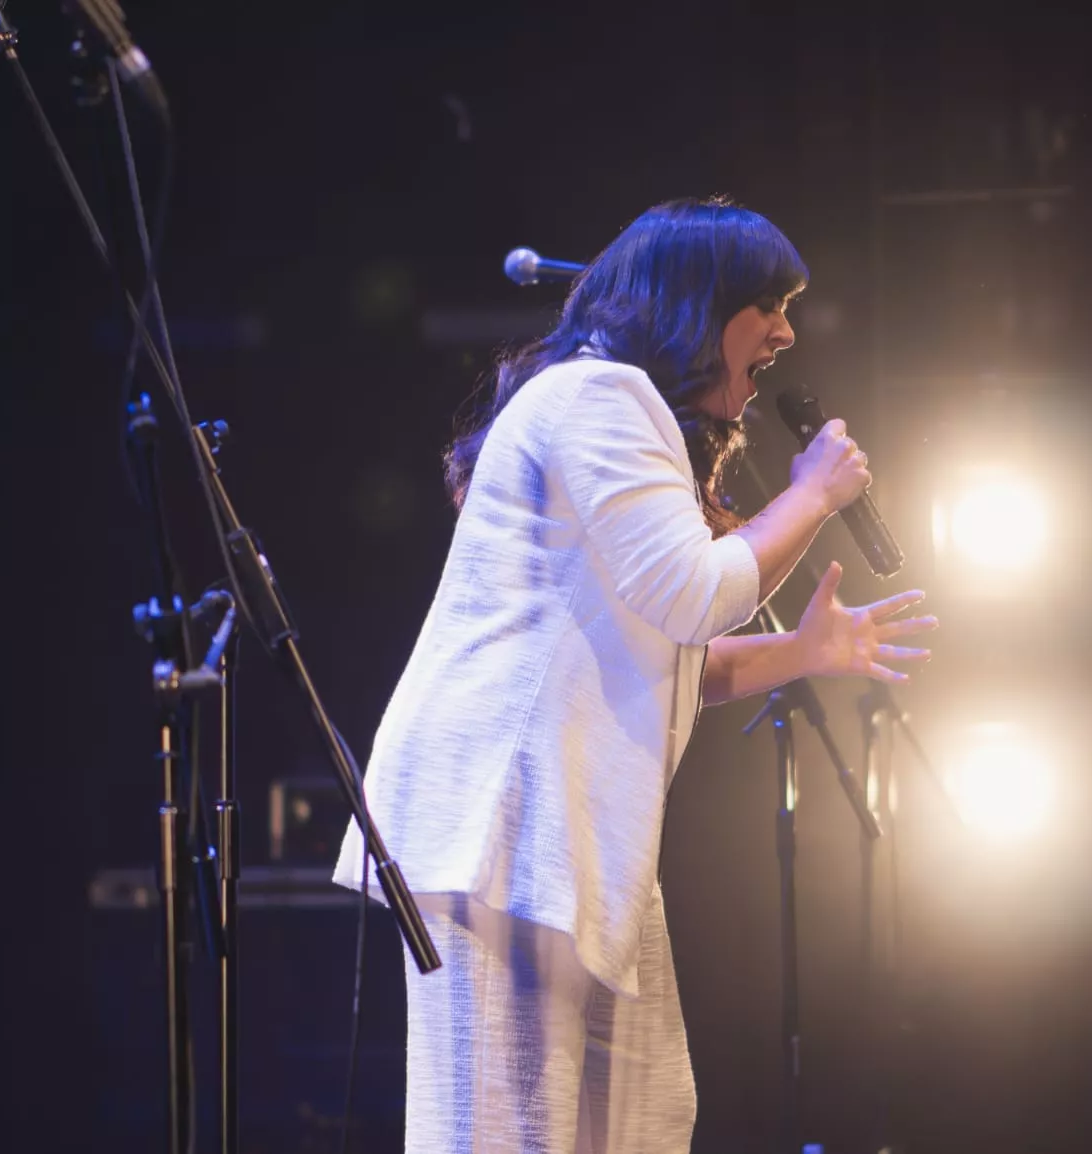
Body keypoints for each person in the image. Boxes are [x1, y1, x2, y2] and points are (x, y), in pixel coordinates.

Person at [333, 197, 937, 1153]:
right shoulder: (598, 398)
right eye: (769, 305)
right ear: (701, 306)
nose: (786, 330)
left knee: (643, 1116)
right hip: (508, 817)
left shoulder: (613, 407)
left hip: (575, 832)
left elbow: (671, 652)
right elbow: (697, 595)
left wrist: (808, 652)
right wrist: (812, 496)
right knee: (506, 1130)